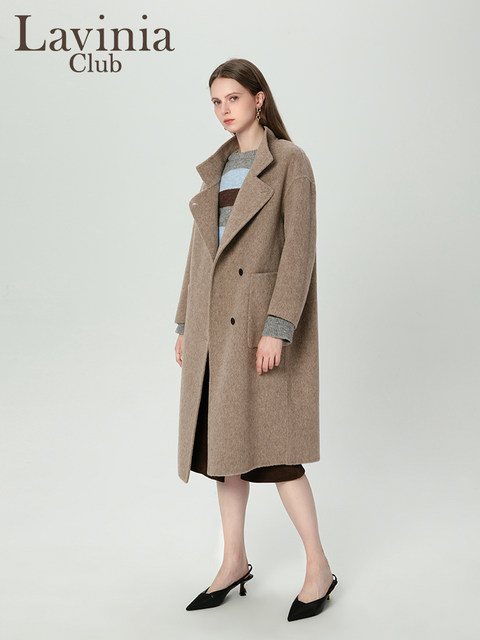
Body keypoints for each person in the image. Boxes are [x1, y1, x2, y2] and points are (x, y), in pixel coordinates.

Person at [174, 58, 337, 622]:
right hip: (214, 328)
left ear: (259, 98)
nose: (224, 110)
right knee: (226, 457)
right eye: (216, 101)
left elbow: (300, 250)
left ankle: (318, 566)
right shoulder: (217, 168)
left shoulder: (290, 161)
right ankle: (233, 561)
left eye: (233, 98)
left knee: (279, 456)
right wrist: (185, 323)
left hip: (257, 329)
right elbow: (201, 254)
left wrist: (278, 327)